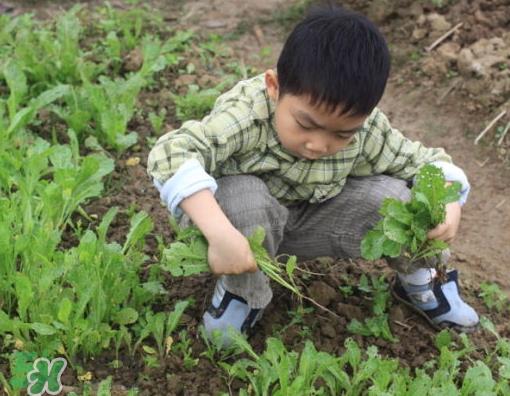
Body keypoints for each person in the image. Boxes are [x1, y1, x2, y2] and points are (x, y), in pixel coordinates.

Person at [147, 4, 479, 344]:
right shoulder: (247, 115)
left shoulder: (367, 132)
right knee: (243, 197)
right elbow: (171, 153)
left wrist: (448, 204)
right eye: (306, 124)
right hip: (242, 230)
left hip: (314, 222)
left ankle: (423, 279)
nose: (319, 145)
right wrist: (219, 234)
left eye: (342, 134)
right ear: (274, 87)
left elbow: (429, 164)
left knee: (401, 200)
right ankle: (243, 295)